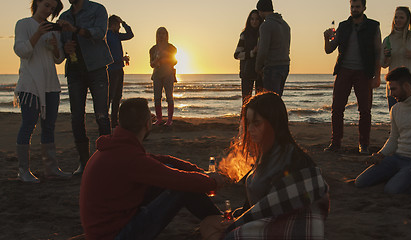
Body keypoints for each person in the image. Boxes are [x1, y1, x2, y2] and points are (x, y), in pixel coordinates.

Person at [80, 98, 227, 240]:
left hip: (112, 225)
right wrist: (212, 182)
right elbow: (178, 180)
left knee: (172, 173)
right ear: (147, 124)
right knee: (181, 187)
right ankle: (224, 224)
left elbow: (164, 161)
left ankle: (220, 220)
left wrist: (201, 173)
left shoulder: (117, 148)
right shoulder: (130, 159)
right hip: (116, 235)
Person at [203, 92, 329, 239]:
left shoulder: (289, 160)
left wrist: (238, 223)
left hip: (287, 228)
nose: (250, 129)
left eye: (256, 123)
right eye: (248, 123)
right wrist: (238, 218)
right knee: (208, 223)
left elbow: (278, 209)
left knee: (214, 230)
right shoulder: (269, 154)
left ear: (273, 123)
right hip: (268, 220)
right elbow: (260, 207)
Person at [13, 0, 71, 183]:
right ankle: (23, 170)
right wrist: (38, 33)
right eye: (46, 5)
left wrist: (55, 46)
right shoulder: (23, 24)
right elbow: (21, 51)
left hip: (51, 85)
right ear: (37, 3)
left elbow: (59, 59)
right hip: (30, 85)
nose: (48, 10)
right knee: (28, 124)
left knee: (49, 126)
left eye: (52, 9)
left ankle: (51, 168)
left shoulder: (53, 29)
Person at [57, 0, 113, 175]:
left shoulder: (97, 9)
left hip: (97, 68)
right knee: (76, 117)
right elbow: (59, 47)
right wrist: (64, 48)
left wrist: (75, 30)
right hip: (74, 71)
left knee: (102, 116)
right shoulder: (64, 16)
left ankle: (107, 161)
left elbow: (99, 33)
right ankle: (84, 163)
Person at [323, 0, 382, 154]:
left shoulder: (373, 26)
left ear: (364, 8)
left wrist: (377, 76)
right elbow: (329, 50)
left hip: (364, 72)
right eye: (352, 7)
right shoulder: (343, 26)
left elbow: (378, 52)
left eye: (357, 7)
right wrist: (326, 38)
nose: (354, 9)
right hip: (344, 70)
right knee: (336, 108)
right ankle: (335, 143)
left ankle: (364, 144)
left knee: (365, 110)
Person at [381, 6, 411, 110]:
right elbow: (383, 64)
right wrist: (387, 57)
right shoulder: (388, 39)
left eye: (401, 17)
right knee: (395, 114)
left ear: (407, 20)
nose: (398, 20)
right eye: (396, 17)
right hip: (394, 83)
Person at [255, 0, 291, 96]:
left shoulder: (266, 26)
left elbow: (263, 50)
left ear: (261, 11)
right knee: (277, 99)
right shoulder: (285, 25)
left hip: (272, 66)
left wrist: (257, 67)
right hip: (285, 65)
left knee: (270, 100)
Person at [106, 15, 134, 129]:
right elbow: (108, 55)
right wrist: (120, 59)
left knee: (118, 96)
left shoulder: (117, 36)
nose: (119, 27)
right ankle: (105, 118)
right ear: (113, 24)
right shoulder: (107, 35)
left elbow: (130, 35)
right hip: (111, 69)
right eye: (118, 25)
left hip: (119, 69)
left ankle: (114, 121)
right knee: (110, 95)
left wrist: (124, 23)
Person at [234, 10, 264, 104]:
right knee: (246, 100)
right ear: (249, 20)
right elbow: (237, 54)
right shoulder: (244, 35)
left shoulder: (263, 34)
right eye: (252, 19)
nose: (254, 21)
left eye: (256, 19)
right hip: (247, 71)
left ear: (260, 20)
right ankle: (244, 118)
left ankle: (257, 118)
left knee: (260, 100)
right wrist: (252, 52)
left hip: (260, 71)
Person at [149, 27, 177, 126]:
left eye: (163, 33)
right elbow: (151, 64)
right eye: (159, 33)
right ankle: (159, 119)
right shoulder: (153, 49)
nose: (161, 35)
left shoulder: (171, 48)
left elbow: (174, 61)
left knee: (169, 97)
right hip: (157, 74)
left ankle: (169, 119)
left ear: (166, 35)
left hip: (168, 73)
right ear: (157, 35)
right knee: (157, 97)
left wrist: (163, 59)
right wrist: (156, 61)